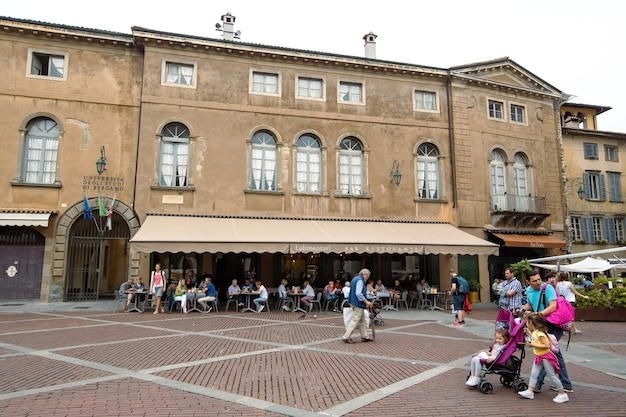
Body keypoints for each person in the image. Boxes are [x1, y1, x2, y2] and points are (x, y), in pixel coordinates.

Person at [521, 269, 573, 393]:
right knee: (550, 353)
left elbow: (553, 306)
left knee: (547, 352)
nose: (538, 282)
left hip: (554, 324)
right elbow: (530, 303)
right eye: (534, 281)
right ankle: (563, 384)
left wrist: (537, 315)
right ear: (528, 282)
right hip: (542, 323)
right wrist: (522, 309)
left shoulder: (547, 288)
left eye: (539, 279)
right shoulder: (528, 290)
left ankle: (539, 384)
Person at [517, 313, 569, 403]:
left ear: (532, 323)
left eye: (528, 323)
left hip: (546, 357)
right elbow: (534, 339)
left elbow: (547, 345)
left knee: (552, 375)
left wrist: (534, 344)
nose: (527, 324)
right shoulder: (535, 333)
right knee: (534, 373)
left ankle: (562, 393)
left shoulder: (541, 334)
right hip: (539, 356)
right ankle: (530, 391)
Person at [342, 268, 374, 344]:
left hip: (353, 302)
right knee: (355, 320)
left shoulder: (355, 279)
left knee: (362, 320)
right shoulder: (360, 281)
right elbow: (358, 293)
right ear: (364, 274)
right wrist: (366, 301)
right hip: (358, 304)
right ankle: (346, 336)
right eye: (368, 275)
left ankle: (364, 336)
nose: (368, 277)